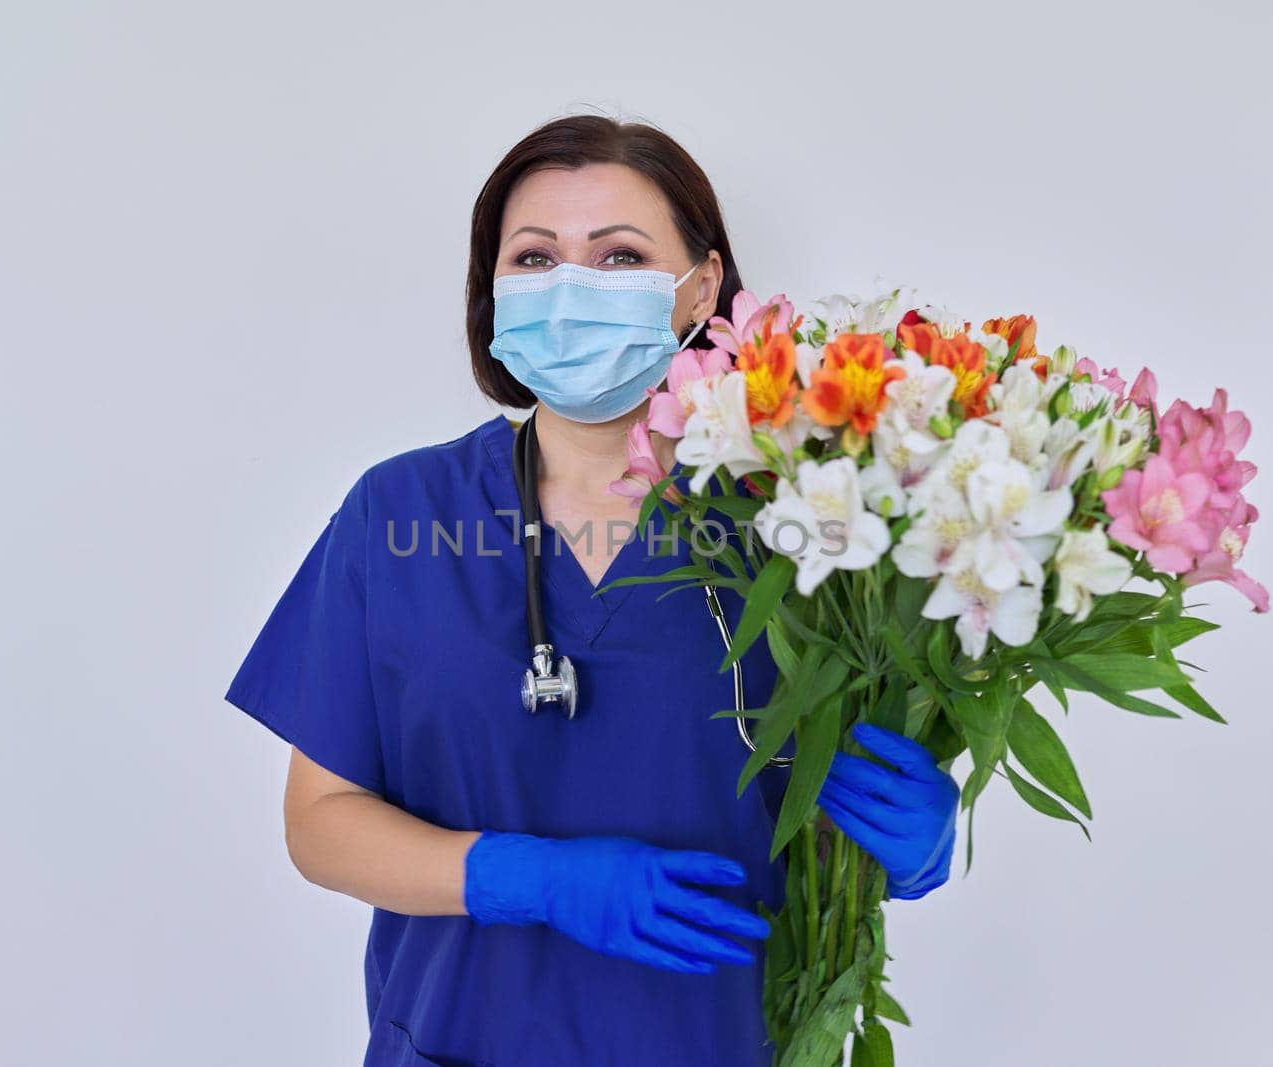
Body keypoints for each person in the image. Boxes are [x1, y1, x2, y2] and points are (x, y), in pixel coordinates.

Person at [223, 114, 960, 1067]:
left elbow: (841, 811)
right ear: (492, 290)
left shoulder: (811, 523)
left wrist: (918, 842)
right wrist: (525, 876)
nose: (571, 289)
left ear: (700, 287)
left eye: (618, 257)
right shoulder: (399, 513)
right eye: (533, 258)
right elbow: (319, 824)